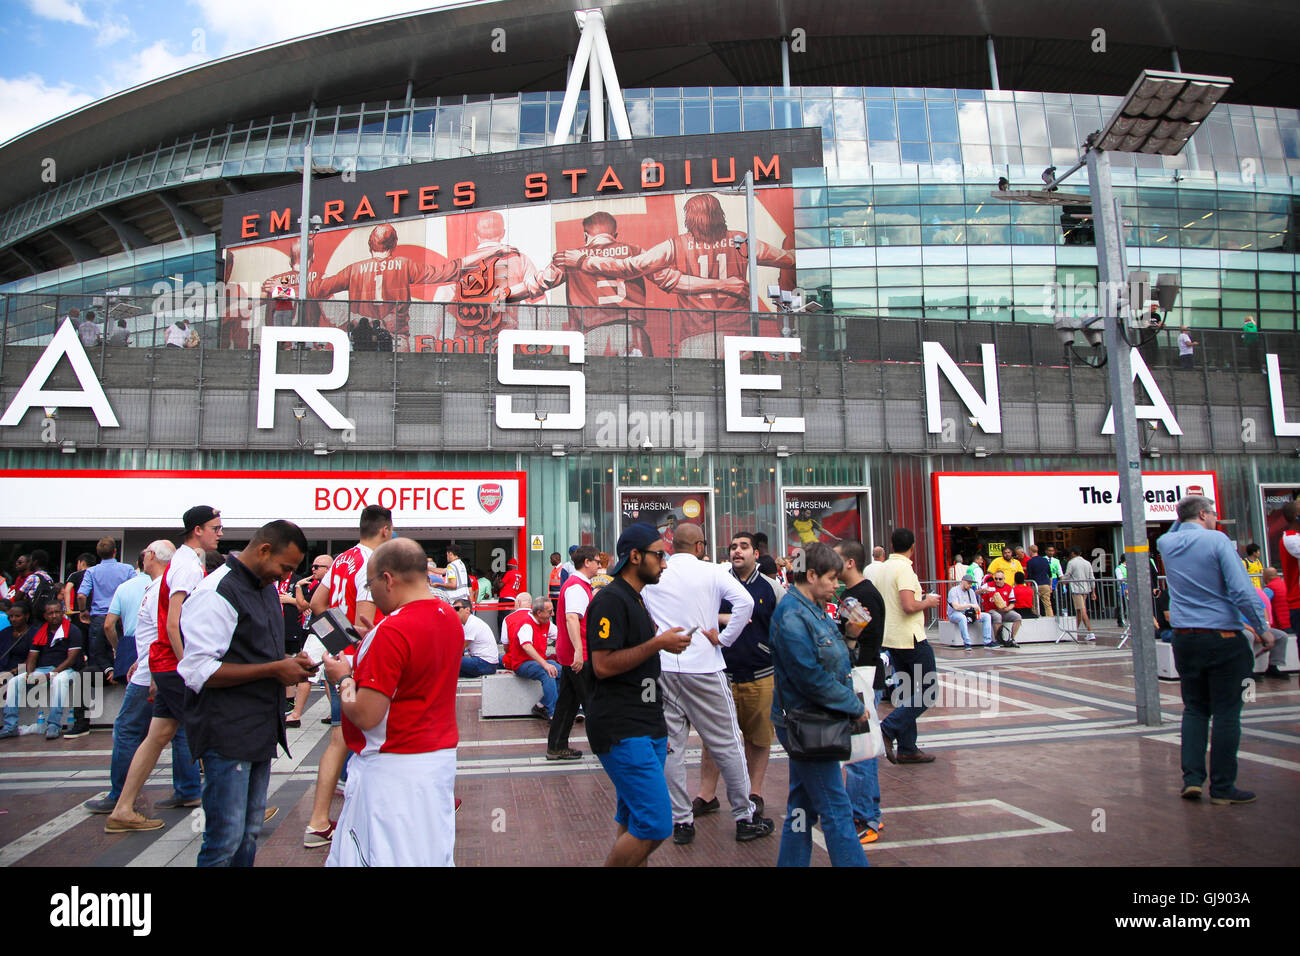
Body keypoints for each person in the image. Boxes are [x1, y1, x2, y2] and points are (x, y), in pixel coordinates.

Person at [179, 520, 314, 865]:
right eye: (284, 567)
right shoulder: (216, 591)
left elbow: (256, 653)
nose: (283, 576)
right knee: (224, 839)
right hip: (227, 731)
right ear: (264, 549)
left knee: (248, 832)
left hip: (259, 727)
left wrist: (289, 663)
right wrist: (274, 669)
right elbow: (199, 671)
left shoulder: (264, 588)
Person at [322, 538, 464, 866]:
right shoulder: (447, 616)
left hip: (392, 768)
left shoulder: (392, 632)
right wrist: (376, 636)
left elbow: (367, 714)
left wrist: (342, 679)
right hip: (436, 762)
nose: (370, 595)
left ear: (388, 579)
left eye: (371, 586)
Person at [641, 522, 772, 846]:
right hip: (704, 666)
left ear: (673, 545)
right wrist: (724, 639)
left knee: (672, 747)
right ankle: (744, 815)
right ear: (699, 546)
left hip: (666, 665)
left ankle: (681, 820)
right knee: (726, 742)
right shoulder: (713, 572)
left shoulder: (659, 573)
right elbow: (745, 605)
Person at [105, 505, 223, 832]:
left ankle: (123, 807)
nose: (220, 533)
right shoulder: (187, 568)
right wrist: (189, 666)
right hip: (174, 663)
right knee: (210, 732)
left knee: (158, 736)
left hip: (165, 663)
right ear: (197, 530)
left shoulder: (182, 564)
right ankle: (233, 805)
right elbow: (174, 624)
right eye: (216, 528)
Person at [585, 523, 691, 866]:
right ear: (635, 556)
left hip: (646, 725)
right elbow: (602, 665)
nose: (664, 562)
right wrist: (658, 644)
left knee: (633, 818)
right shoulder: (610, 601)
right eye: (659, 554)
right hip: (622, 729)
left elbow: (639, 659)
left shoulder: (635, 599)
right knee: (656, 825)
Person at [1157, 495, 1271, 805]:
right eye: (1213, 514)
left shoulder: (1167, 544)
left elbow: (1174, 527)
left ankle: (1192, 779)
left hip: (1184, 638)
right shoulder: (1217, 540)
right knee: (1226, 712)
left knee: (1194, 709)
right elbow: (1241, 589)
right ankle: (1223, 786)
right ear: (1205, 514)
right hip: (1222, 637)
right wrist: (1261, 627)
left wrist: (1182, 513)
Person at [83, 542, 202, 814]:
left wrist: (159, 670)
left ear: (151, 556)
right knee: (176, 730)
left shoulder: (163, 586)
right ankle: (188, 789)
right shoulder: (158, 585)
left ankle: (120, 795)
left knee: (128, 728)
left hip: (156, 670)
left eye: (146, 553)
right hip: (155, 667)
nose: (142, 557)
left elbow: (168, 630)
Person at [769, 543, 869, 867]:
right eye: (830, 578)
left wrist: (851, 636)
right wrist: (853, 705)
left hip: (811, 720)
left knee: (802, 805)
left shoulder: (813, 607)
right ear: (811, 575)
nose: (835, 585)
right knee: (836, 808)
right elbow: (809, 677)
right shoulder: (792, 614)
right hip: (806, 721)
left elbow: (833, 663)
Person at [304, 505, 393, 849]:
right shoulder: (374, 563)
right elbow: (366, 620)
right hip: (358, 665)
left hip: (338, 659)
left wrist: (335, 642)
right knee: (346, 739)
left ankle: (335, 813)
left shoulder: (340, 559)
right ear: (385, 530)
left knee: (346, 737)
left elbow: (316, 603)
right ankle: (318, 821)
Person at [694, 533, 786, 823]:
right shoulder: (717, 585)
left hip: (761, 674)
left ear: (756, 554)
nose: (737, 551)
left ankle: (754, 792)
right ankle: (706, 794)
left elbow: (782, 629)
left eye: (744, 547)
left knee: (758, 738)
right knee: (713, 738)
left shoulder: (772, 588)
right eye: (733, 546)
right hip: (721, 673)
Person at [833, 539, 886, 845]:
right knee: (865, 747)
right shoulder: (857, 593)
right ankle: (871, 811)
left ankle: (865, 817)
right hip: (864, 675)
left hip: (863, 676)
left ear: (850, 562)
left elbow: (854, 637)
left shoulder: (861, 595)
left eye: (837, 560)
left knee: (860, 751)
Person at [879, 528, 942, 764]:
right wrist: (927, 602)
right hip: (911, 637)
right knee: (928, 691)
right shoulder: (904, 568)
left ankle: (907, 747)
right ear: (913, 546)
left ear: (891, 544)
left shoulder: (883, 568)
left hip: (891, 638)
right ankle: (888, 728)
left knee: (907, 692)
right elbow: (908, 605)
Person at [1, 599, 84, 740]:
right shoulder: (40, 631)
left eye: (57, 612)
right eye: (50, 613)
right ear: (45, 615)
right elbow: (32, 656)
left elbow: (71, 659)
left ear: (63, 612)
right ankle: (10, 726)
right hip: (43, 670)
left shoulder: (73, 630)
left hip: (67, 670)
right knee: (15, 682)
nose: (54, 616)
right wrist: (29, 673)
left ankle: (54, 725)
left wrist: (51, 674)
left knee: (59, 680)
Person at [548, 545, 599, 760]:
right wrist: (579, 651)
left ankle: (557, 745)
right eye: (597, 560)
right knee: (592, 702)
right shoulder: (577, 586)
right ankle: (604, 746)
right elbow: (572, 618)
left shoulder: (576, 585)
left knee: (568, 702)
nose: (599, 564)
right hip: (579, 654)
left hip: (570, 652)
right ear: (586, 562)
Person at [78, 537, 137, 678]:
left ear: (98, 553)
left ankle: (97, 695)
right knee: (123, 652)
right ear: (115, 551)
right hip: (121, 618)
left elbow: (81, 595)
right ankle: (122, 683)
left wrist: (82, 611)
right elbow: (135, 588)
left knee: (96, 656)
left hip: (99, 618)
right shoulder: (127, 569)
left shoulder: (91, 571)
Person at [285, 553, 331, 726]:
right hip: (325, 628)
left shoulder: (326, 585)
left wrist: (297, 591)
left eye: (317, 567)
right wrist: (298, 588)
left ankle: (296, 714)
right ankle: (337, 711)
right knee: (328, 675)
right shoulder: (319, 585)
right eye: (312, 566)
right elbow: (302, 605)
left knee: (307, 669)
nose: (313, 569)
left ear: (327, 569)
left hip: (322, 628)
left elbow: (307, 606)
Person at [501, 596, 560, 720]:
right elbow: (527, 646)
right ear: (539, 613)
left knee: (561, 670)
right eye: (550, 612)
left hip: (537, 662)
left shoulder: (546, 623)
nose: (552, 614)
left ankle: (543, 705)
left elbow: (560, 635)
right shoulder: (526, 624)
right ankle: (553, 712)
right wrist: (545, 664)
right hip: (522, 664)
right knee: (548, 672)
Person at [947, 572, 995, 649]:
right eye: (969, 583)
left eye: (971, 583)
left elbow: (975, 606)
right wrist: (970, 605)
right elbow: (956, 607)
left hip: (968, 613)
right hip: (955, 614)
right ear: (963, 581)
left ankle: (987, 641)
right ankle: (967, 643)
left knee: (986, 616)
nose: (970, 585)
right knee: (962, 618)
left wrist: (978, 613)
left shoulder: (971, 591)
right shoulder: (954, 591)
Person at [455, 599, 500, 677]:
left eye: (457, 609)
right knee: (454, 673)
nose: (454, 611)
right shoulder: (467, 623)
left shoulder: (471, 623)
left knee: (449, 661)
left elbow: (460, 648)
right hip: (485, 662)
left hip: (485, 663)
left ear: (467, 610)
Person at [1061, 547, 1097, 641]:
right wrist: (1093, 591)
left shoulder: (1071, 563)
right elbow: (1091, 577)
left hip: (1076, 589)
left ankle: (1090, 631)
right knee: (1079, 610)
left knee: (1082, 609)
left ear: (1073, 553)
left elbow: (1067, 575)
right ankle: (1075, 631)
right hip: (1086, 589)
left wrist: (1062, 581)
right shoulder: (1087, 563)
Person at [1025, 544, 1054, 616]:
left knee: (1035, 604)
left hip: (1035, 585)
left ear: (1030, 551)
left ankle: (1036, 619)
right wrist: (1050, 585)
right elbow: (1050, 574)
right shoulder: (1045, 560)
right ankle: (1050, 619)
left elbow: (1029, 575)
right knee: (1047, 604)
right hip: (1045, 584)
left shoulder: (1030, 562)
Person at [496, 557, 523, 633]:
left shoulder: (509, 573)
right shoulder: (519, 575)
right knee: (508, 618)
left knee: (501, 619)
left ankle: (502, 637)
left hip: (505, 597)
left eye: (508, 566)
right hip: (513, 598)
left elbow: (500, 586)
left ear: (510, 565)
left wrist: (498, 580)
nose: (507, 567)